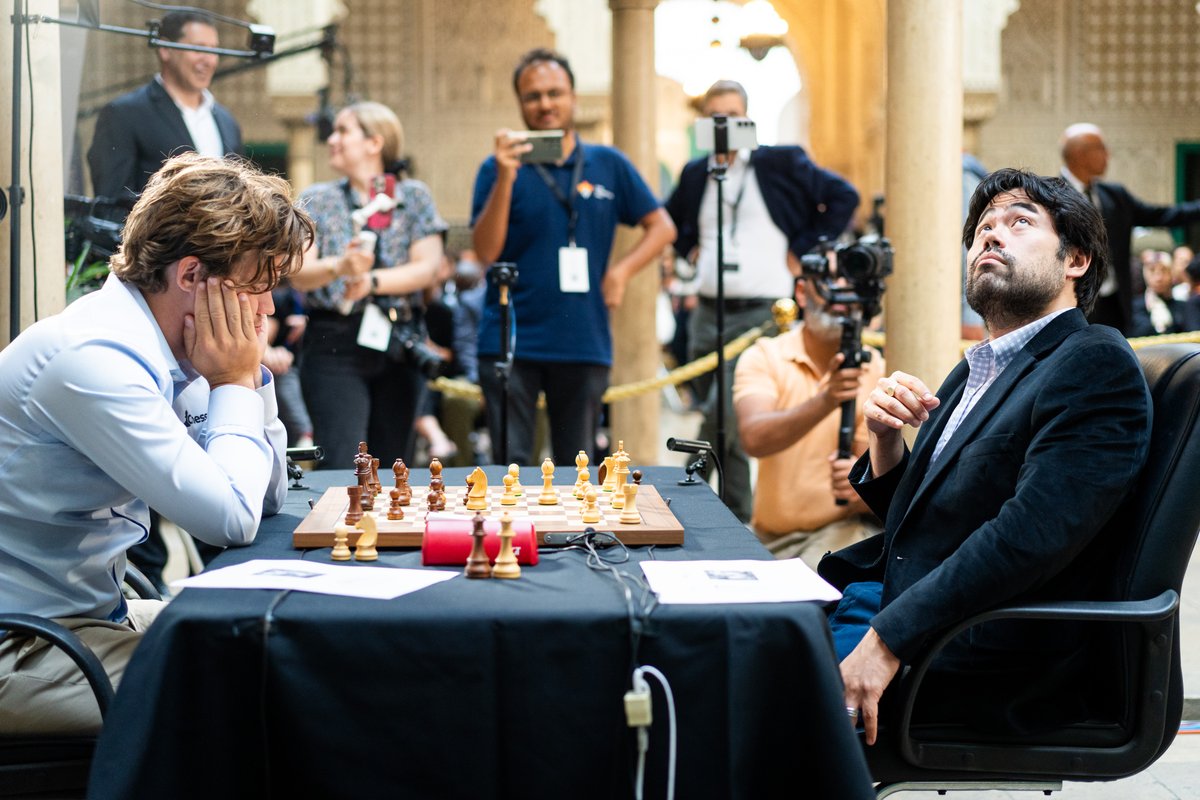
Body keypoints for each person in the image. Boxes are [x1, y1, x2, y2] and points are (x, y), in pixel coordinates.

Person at [820, 168, 1152, 745]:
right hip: (897, 607)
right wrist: (885, 439)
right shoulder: (981, 366)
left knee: (741, 700)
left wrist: (888, 639)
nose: (991, 236)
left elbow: (1028, 537)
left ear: (1075, 261)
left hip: (975, 653)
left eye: (1019, 222)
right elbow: (931, 518)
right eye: (982, 228)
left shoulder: (1093, 363)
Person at [0, 153, 313, 734]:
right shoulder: (94, 359)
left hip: (86, 619)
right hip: (20, 647)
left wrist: (247, 382)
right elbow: (230, 520)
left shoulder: (164, 349)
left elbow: (262, 494)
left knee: (284, 641)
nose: (268, 308)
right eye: (257, 286)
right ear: (192, 276)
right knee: (260, 680)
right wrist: (235, 381)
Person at [665, 80, 859, 522]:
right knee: (730, 431)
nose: (725, 126)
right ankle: (733, 521)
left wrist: (805, 248)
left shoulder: (778, 162)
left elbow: (844, 196)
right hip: (707, 313)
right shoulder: (697, 173)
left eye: (734, 117)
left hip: (760, 312)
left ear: (747, 119)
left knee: (721, 415)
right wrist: (688, 250)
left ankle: (676, 497)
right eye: (715, 118)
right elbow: (672, 220)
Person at [471, 48, 676, 466]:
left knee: (577, 471)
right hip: (510, 339)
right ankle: (513, 536)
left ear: (573, 97)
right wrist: (507, 176)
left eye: (554, 93)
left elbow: (663, 227)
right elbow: (485, 252)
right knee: (511, 470)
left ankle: (575, 537)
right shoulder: (498, 168)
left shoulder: (608, 163)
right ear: (520, 104)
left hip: (582, 337)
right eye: (533, 96)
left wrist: (620, 272)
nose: (545, 104)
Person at [289, 102, 447, 470]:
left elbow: (427, 267)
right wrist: (341, 266)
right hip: (334, 342)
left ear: (375, 142)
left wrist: (371, 281)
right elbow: (298, 272)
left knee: (395, 465)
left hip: (399, 338)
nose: (332, 140)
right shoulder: (318, 197)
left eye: (343, 131)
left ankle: (390, 529)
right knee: (344, 463)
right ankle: (341, 529)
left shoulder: (413, 196)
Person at [733, 275, 884, 569]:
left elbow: (886, 488)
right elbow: (754, 438)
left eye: (851, 285)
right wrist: (827, 399)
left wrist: (859, 490)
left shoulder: (875, 367)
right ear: (802, 292)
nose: (841, 297)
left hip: (838, 533)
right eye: (830, 281)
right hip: (767, 538)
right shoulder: (765, 356)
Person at [88, 10, 242, 209]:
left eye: (214, 50)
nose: (209, 60)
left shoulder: (227, 121)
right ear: (165, 50)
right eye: (198, 49)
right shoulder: (124, 114)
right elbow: (112, 206)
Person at [1059, 123, 1200, 334]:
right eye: (1101, 148)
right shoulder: (1052, 197)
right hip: (1074, 305)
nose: (1108, 154)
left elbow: (1162, 215)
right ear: (1080, 154)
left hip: (1118, 304)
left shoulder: (1115, 195)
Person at [1129, 250, 1185, 337]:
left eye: (1164, 271)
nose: (1158, 277)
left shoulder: (1182, 305)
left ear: (1171, 273)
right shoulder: (1135, 306)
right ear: (1145, 274)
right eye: (1152, 270)